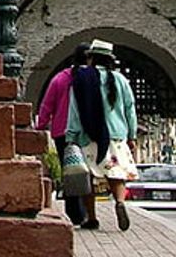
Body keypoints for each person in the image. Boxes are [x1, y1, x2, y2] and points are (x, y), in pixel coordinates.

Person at [65, 38, 138, 231]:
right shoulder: (121, 80)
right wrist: (132, 135)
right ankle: (120, 202)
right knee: (116, 173)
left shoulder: (80, 78)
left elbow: (74, 109)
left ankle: (92, 217)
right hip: (117, 134)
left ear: (90, 58)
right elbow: (130, 109)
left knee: (87, 175)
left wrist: (71, 136)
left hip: (88, 134)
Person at [36, 44, 89, 223]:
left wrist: (41, 125)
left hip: (63, 133)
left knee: (71, 172)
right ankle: (89, 211)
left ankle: (75, 212)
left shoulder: (60, 79)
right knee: (89, 171)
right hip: (88, 132)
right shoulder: (93, 78)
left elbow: (47, 105)